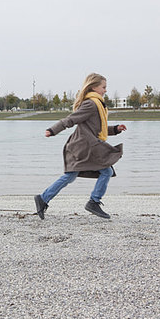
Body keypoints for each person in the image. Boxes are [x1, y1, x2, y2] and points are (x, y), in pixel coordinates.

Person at [34, 73, 127, 220]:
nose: (105, 90)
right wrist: (53, 130)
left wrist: (115, 129)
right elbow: (71, 120)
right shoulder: (91, 104)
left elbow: (97, 128)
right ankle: (93, 202)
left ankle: (43, 198)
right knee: (105, 171)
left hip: (87, 146)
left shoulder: (98, 104)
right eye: (103, 87)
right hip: (83, 148)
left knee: (72, 175)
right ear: (94, 87)